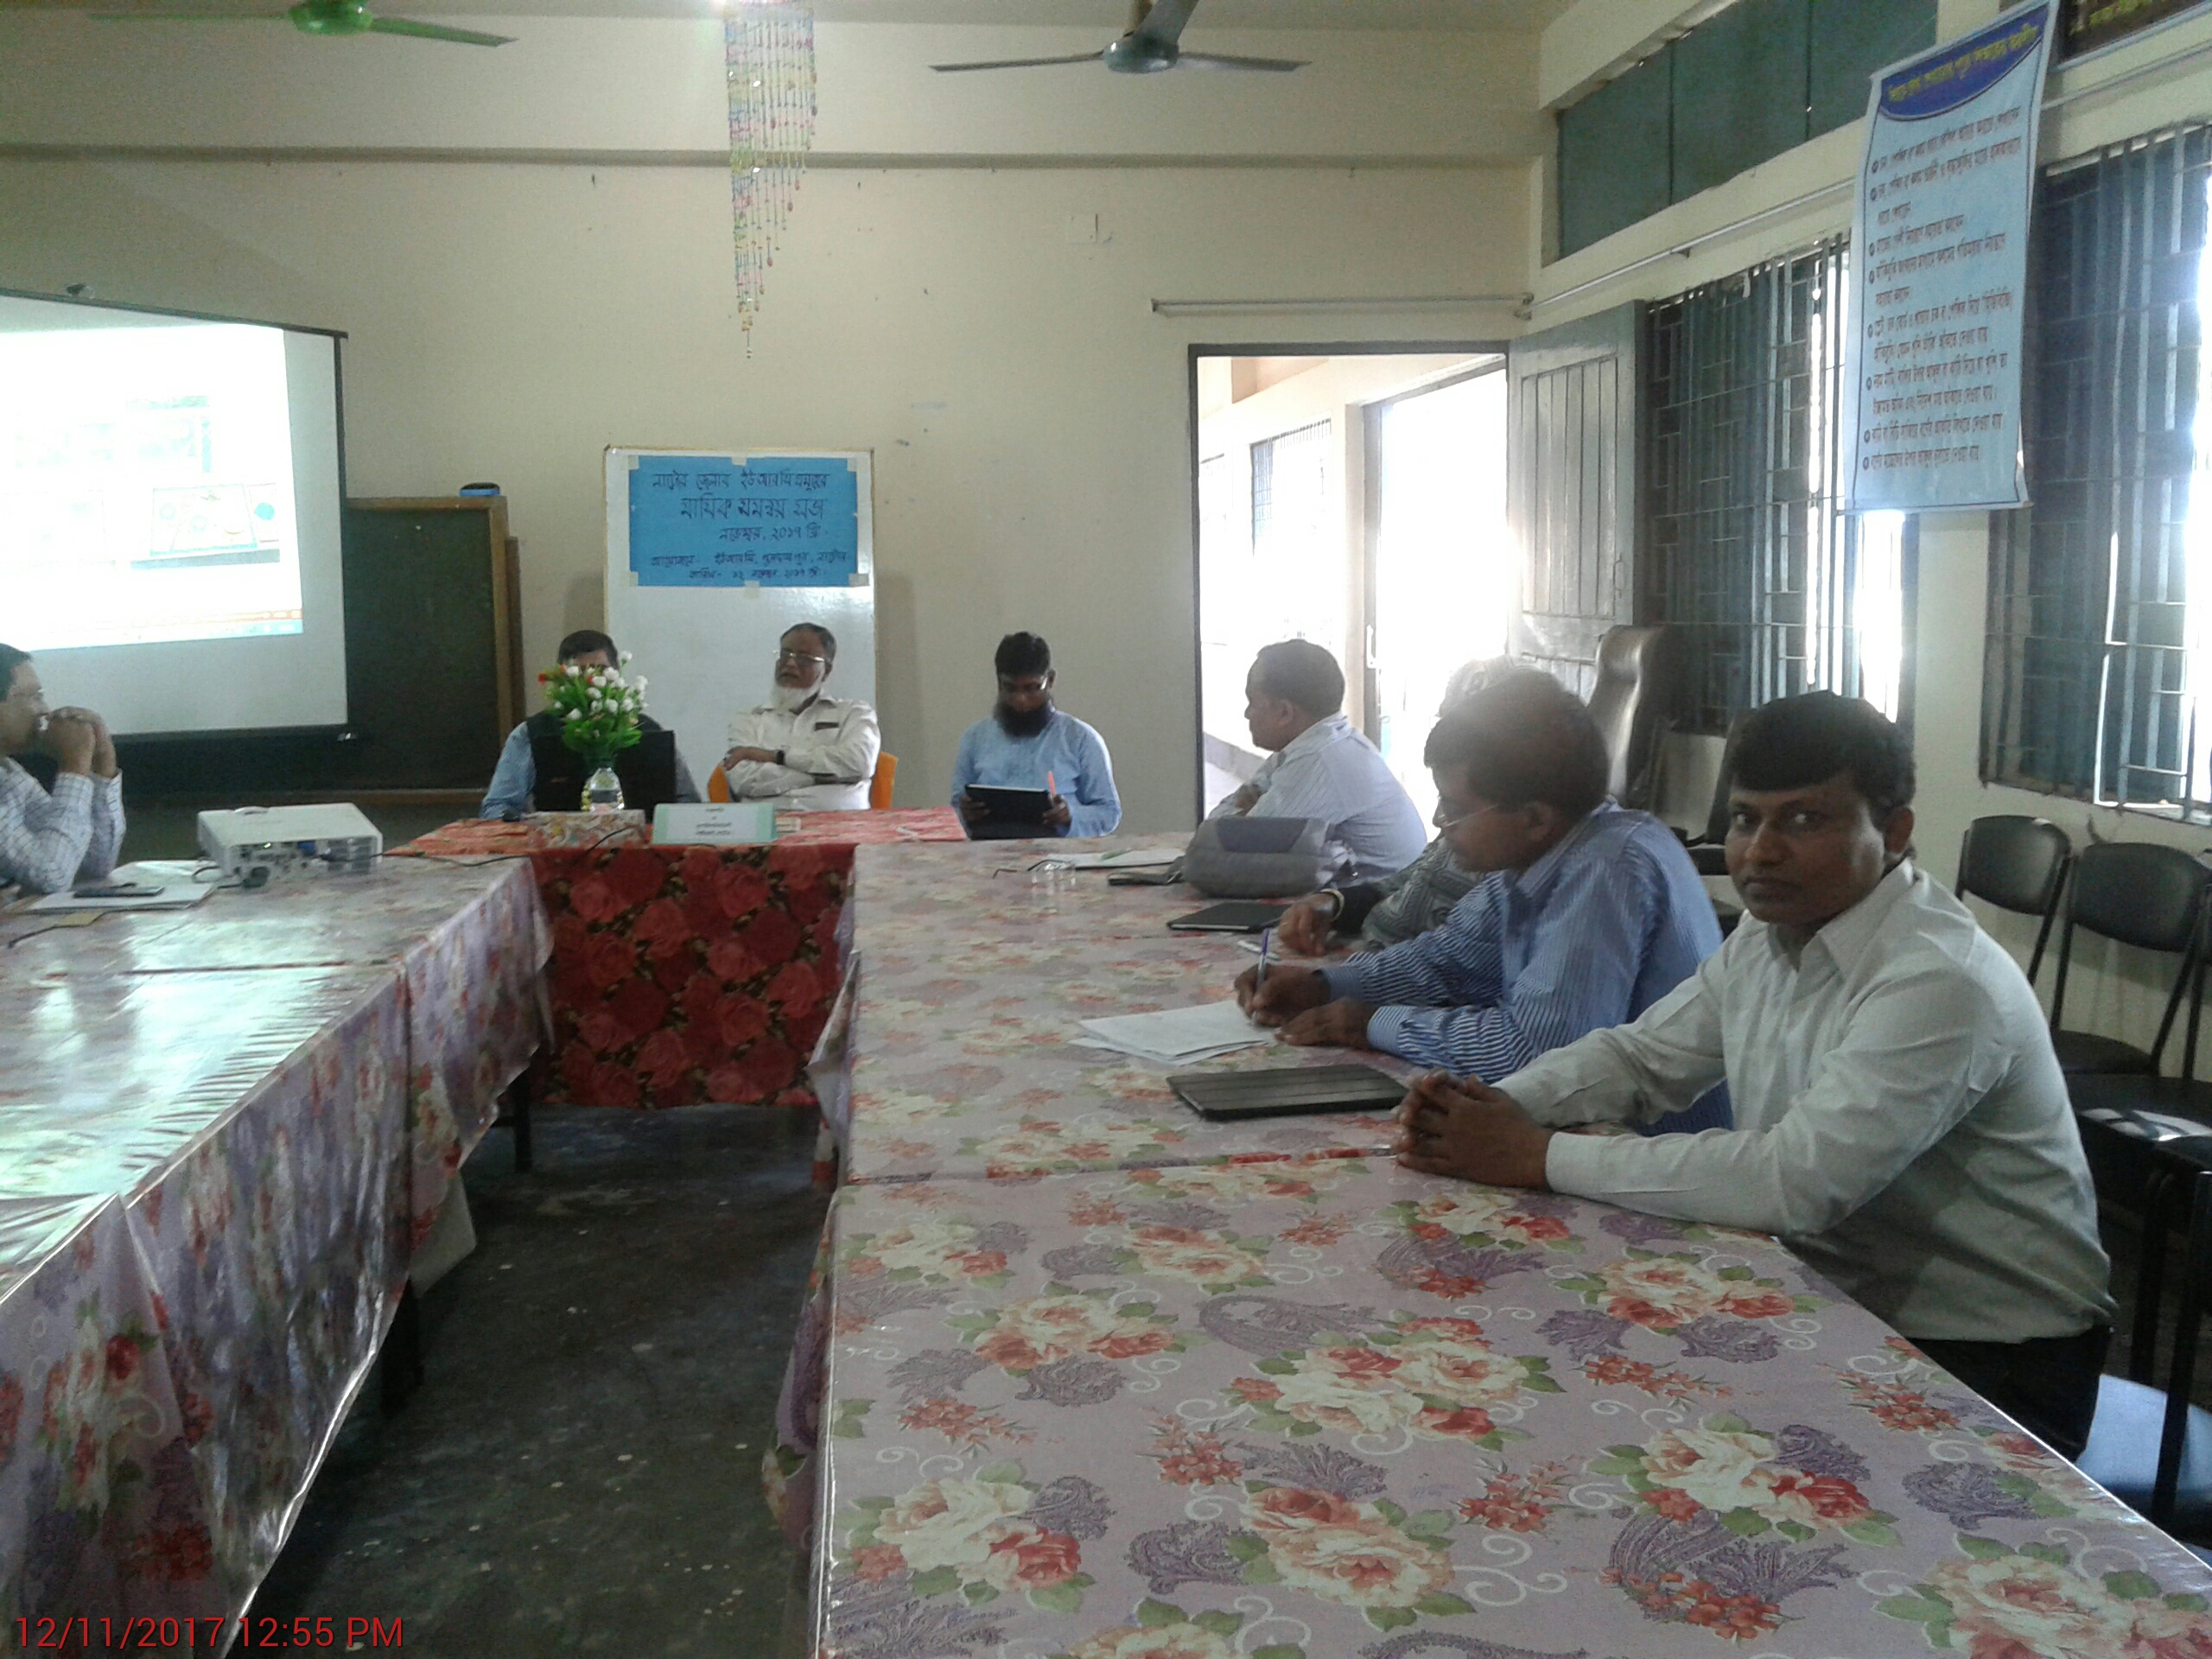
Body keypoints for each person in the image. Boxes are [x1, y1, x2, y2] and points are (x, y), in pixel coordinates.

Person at [1394, 692, 2114, 1458]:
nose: (1760, 852)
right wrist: (1493, 1106)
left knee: (1645, 1446)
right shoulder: (1770, 937)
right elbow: (1641, 1057)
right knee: (1546, 1383)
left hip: (1989, 1357)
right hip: (1826, 1294)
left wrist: (1535, 1154)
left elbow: (1795, 1182)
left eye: (1804, 820)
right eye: (1745, 819)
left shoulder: (1938, 979)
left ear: (1895, 832)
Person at [1238, 671, 1720, 1087]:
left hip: (1644, 1146)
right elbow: (1443, 963)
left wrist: (1369, 1024)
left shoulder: (1608, 870)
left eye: (1455, 807)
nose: (1439, 820)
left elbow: (1535, 1052)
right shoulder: (1534, 858)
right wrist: (1324, 985)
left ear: (1534, 817)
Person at [1276, 656, 1512, 956]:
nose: (1439, 819)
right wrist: (1331, 903)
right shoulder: (1461, 835)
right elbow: (1396, 886)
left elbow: (1442, 963)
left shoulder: (1505, 875)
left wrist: (1343, 981)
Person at [1210, 639, 1427, 882]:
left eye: (1252, 702)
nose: (1246, 714)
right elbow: (1215, 826)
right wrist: (1247, 815)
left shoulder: (1322, 758)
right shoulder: (1317, 744)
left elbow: (1231, 847)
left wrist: (1247, 811)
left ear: (1284, 712)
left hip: (1380, 900)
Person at [480, 629, 699, 817]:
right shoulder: (531, 733)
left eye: (601, 671)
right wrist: (534, 825)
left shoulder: (648, 730)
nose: (592, 681)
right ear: (563, 678)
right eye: (581, 673)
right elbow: (497, 806)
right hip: (559, 846)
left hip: (642, 845)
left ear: (616, 674)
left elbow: (688, 802)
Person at [951, 632, 1121, 838]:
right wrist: (964, 813)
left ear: (1050, 680)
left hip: (1060, 854)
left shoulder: (1080, 739)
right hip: (989, 850)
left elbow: (1109, 812)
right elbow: (954, 809)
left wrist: (1072, 815)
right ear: (999, 683)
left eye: (1032, 688)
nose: (1021, 699)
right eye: (1010, 689)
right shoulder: (974, 739)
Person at [0, 642, 125, 894]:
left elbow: (93, 863)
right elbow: (52, 875)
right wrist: (74, 767)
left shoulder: (8, 773)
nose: (45, 710)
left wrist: (102, 764)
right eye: (34, 696)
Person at [721, 623, 881, 811]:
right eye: (785, 655)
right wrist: (824, 776)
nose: (790, 664)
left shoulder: (854, 713)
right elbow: (743, 780)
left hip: (842, 822)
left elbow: (860, 763)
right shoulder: (749, 718)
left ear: (826, 670)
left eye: (804, 658)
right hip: (768, 824)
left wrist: (777, 757)